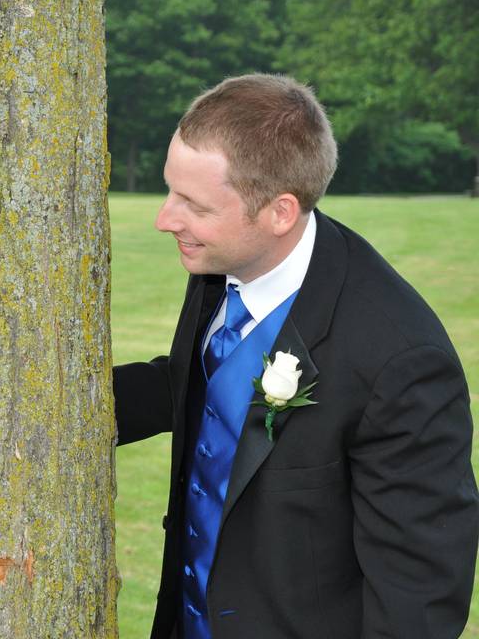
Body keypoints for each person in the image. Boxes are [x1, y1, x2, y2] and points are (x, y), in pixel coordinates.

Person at [113, 74, 478, 638]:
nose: (165, 219)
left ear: (280, 212)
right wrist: (62, 409)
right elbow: (204, 382)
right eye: (170, 190)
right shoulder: (223, 263)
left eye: (194, 204)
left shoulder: (400, 361)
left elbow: (417, 601)